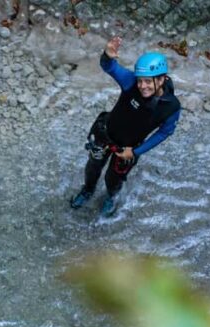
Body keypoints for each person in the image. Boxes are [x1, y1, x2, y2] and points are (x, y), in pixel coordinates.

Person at [70, 36, 181, 217]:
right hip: (105, 134)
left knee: (113, 179)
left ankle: (111, 197)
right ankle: (87, 190)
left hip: (128, 148)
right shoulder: (131, 83)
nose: (142, 86)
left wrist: (136, 152)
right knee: (93, 167)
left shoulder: (171, 107)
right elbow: (109, 67)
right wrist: (107, 55)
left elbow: (164, 132)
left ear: (161, 79)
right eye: (140, 80)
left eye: (147, 81)